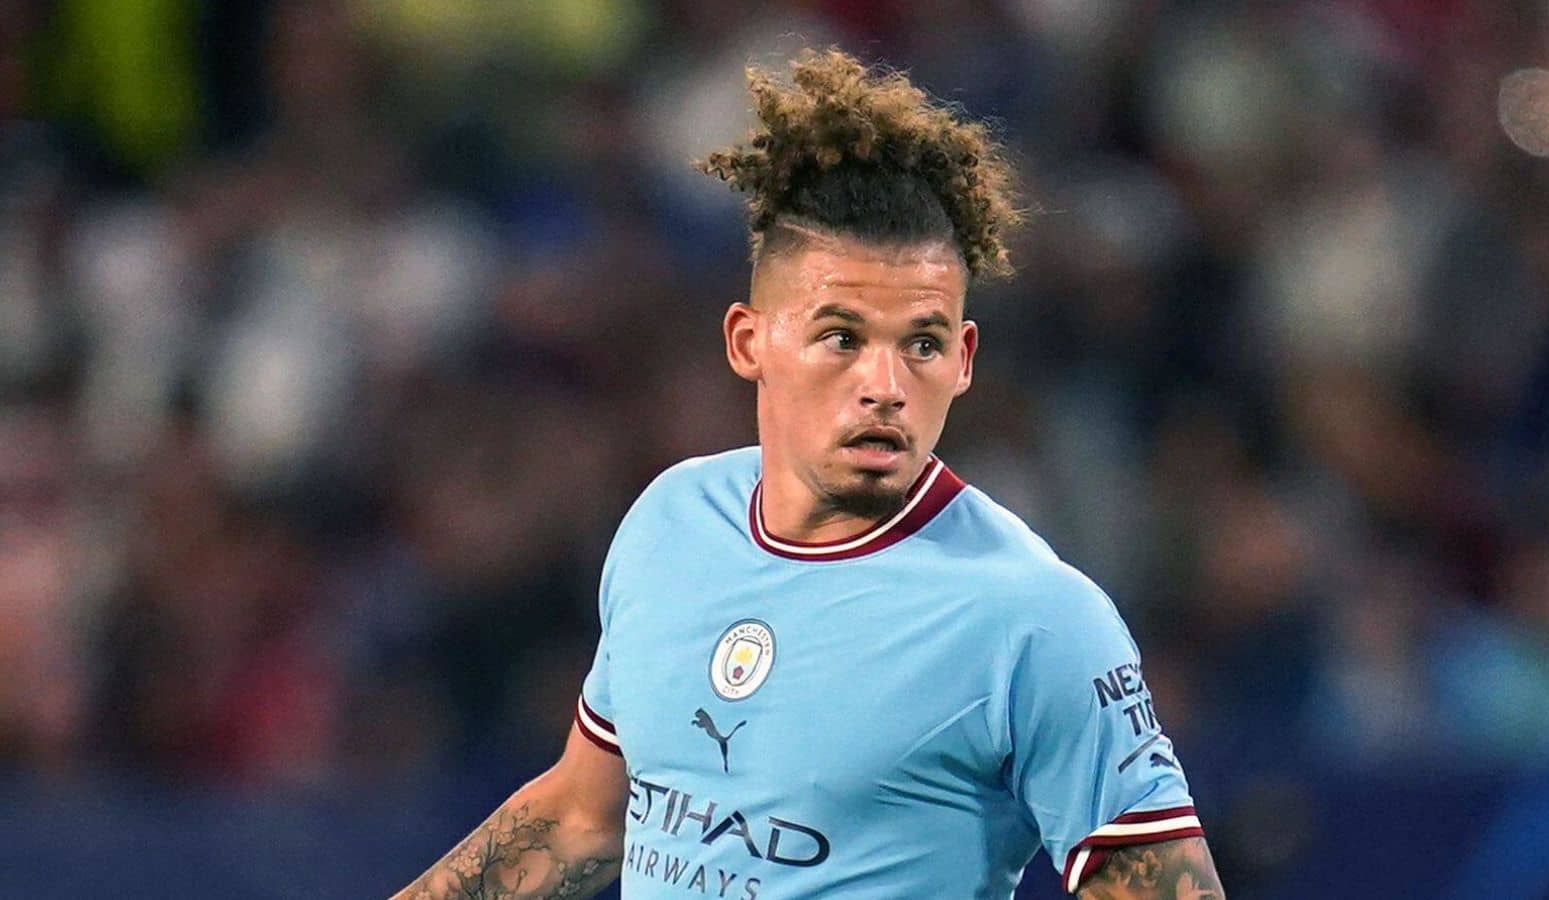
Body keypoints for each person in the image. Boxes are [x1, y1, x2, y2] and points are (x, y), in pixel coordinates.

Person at [391, 48, 1224, 900]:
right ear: (748, 342)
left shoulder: (1032, 618)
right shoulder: (671, 522)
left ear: (964, 360)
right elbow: (584, 816)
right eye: (841, 337)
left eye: (923, 343)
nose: (885, 384)